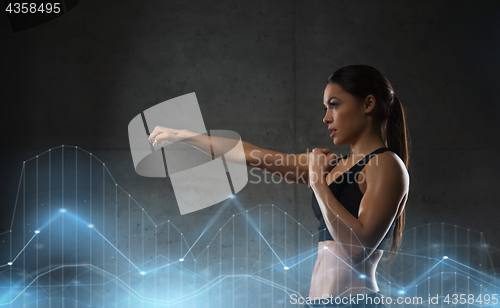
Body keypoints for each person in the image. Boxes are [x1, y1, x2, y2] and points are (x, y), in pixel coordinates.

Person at [148, 64, 410, 308]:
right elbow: (251, 155)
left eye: (334, 105)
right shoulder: (331, 165)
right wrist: (184, 136)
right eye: (325, 108)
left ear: (368, 104)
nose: (326, 118)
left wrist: (317, 181)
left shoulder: (386, 165)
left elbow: (357, 249)